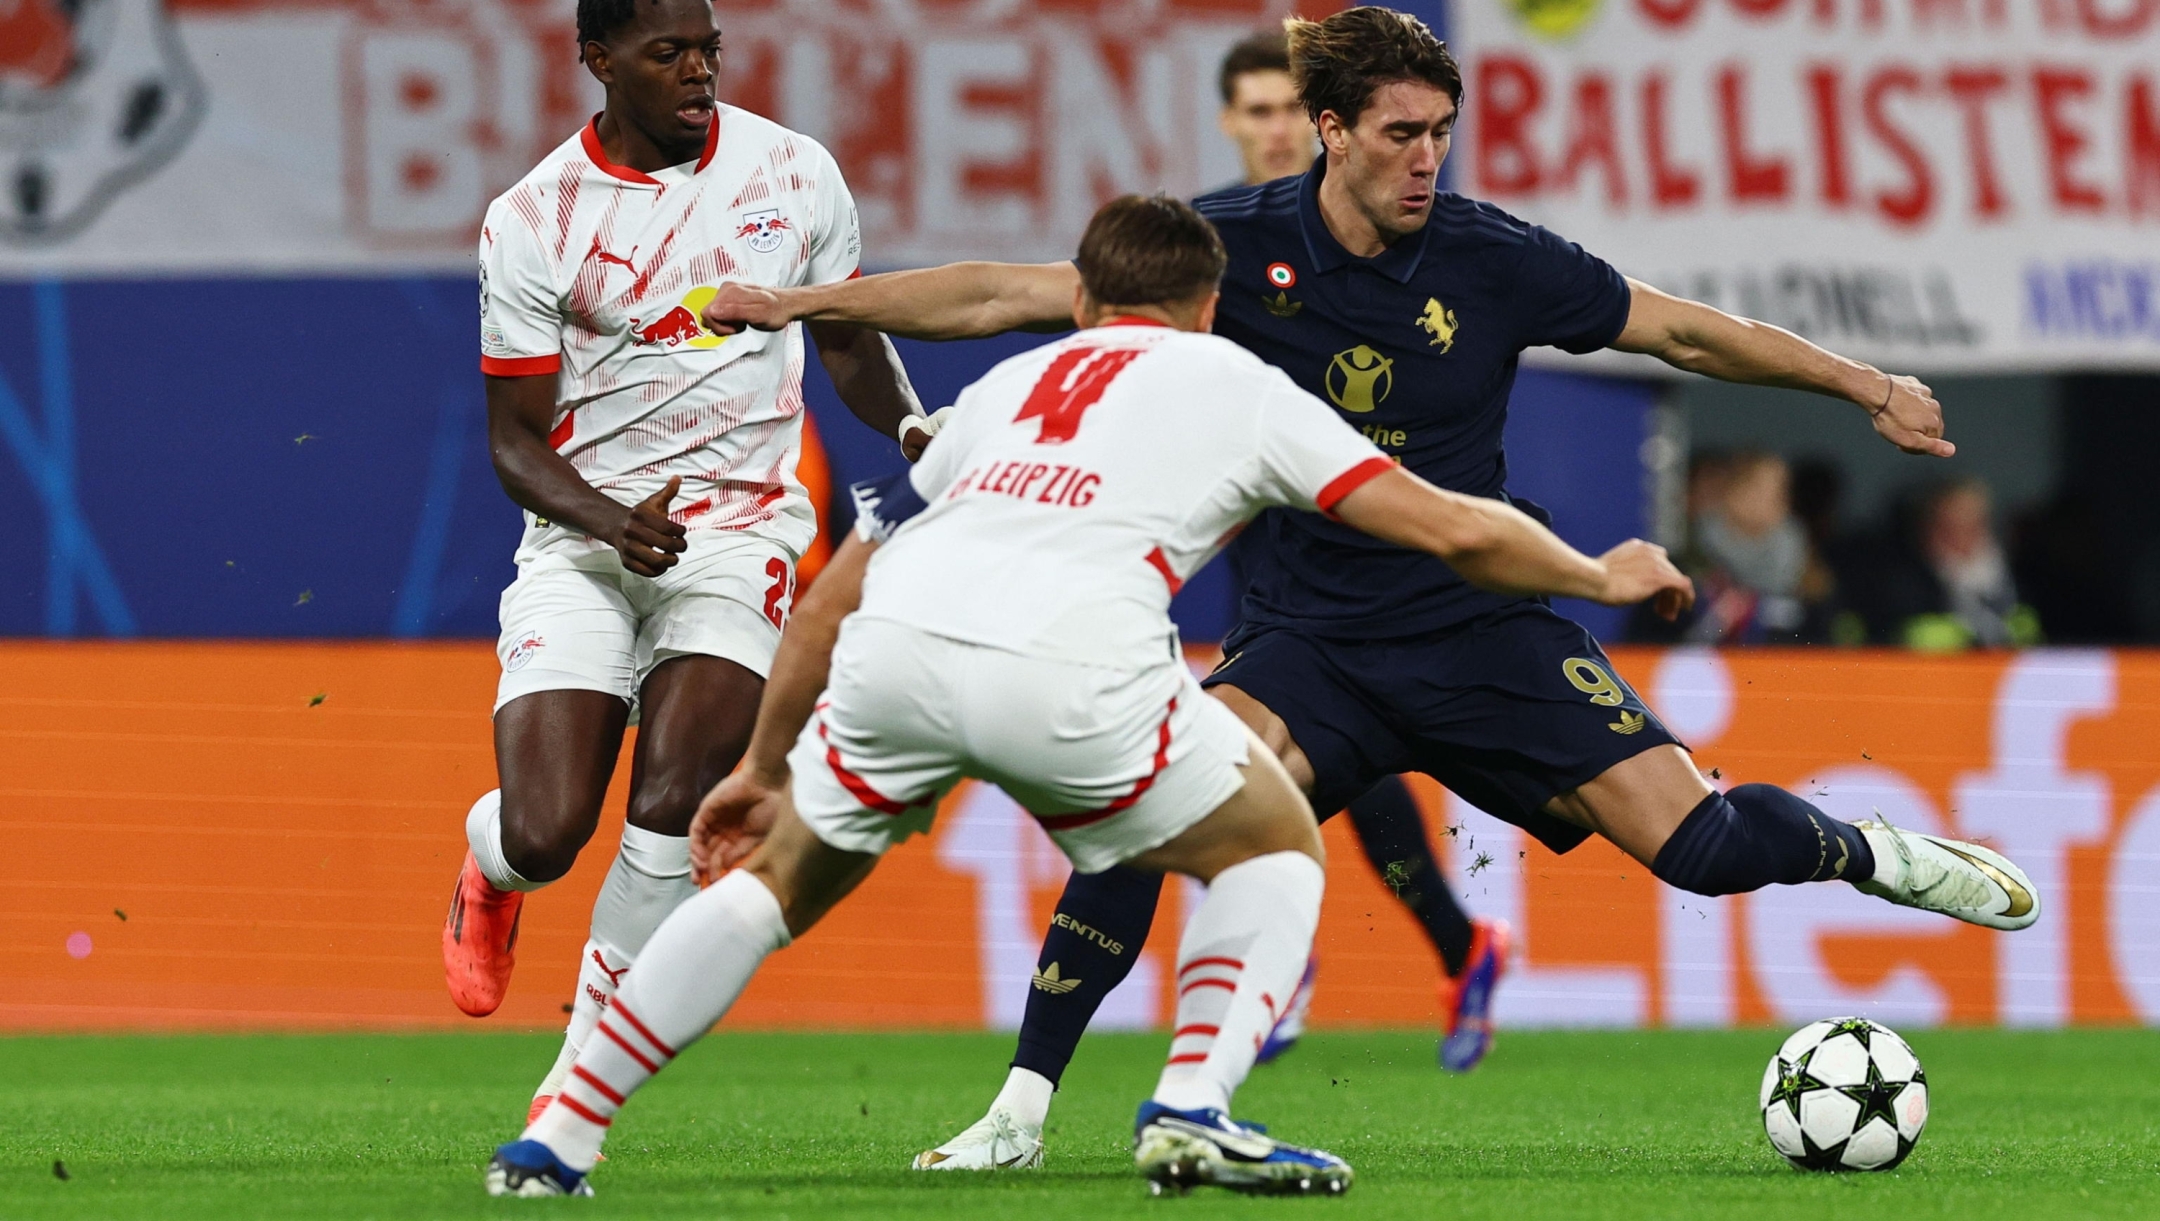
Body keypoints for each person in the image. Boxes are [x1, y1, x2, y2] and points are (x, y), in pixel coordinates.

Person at [698, 5, 2043, 1173]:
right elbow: (1011, 292)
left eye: (1440, 132)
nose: (1425, 158)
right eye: (1399, 132)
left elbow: (1687, 329)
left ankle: (1876, 852)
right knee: (1130, 820)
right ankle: (1019, 1106)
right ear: (1327, 130)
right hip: (1312, 642)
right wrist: (808, 305)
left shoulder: (1496, 257)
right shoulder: (1226, 251)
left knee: (1697, 851)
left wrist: (1867, 385)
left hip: (1484, 627)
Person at [485, 194, 1698, 1198]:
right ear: (1209, 307)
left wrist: (761, 768)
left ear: (1082, 302)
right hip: (1070, 663)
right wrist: (1599, 572)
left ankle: (559, 1138)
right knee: (1272, 846)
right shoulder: (1243, 384)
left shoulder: (1008, 393)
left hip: (901, 648)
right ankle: (1192, 1106)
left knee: (774, 884)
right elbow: (1446, 527)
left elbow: (835, 594)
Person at [441, 0, 931, 1128]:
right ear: (600, 61)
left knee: (670, 805)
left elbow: (850, 339)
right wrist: (612, 521)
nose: (699, 71)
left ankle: (573, 1090)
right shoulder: (536, 217)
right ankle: (489, 867)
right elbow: (514, 442)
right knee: (549, 830)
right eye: (669, 53)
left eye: (709, 49)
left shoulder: (794, 174)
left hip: (742, 531)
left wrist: (910, 431)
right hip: (583, 538)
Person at [1210, 24, 1510, 1081]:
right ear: (1232, 125)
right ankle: (1443, 945)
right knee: (1255, 755)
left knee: (1305, 756)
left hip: (1376, 554)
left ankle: (1289, 947)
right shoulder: (1229, 244)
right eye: (1255, 113)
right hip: (1270, 542)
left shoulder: (1391, 236)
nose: (1273, 130)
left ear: (1323, 125)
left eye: (1287, 110)